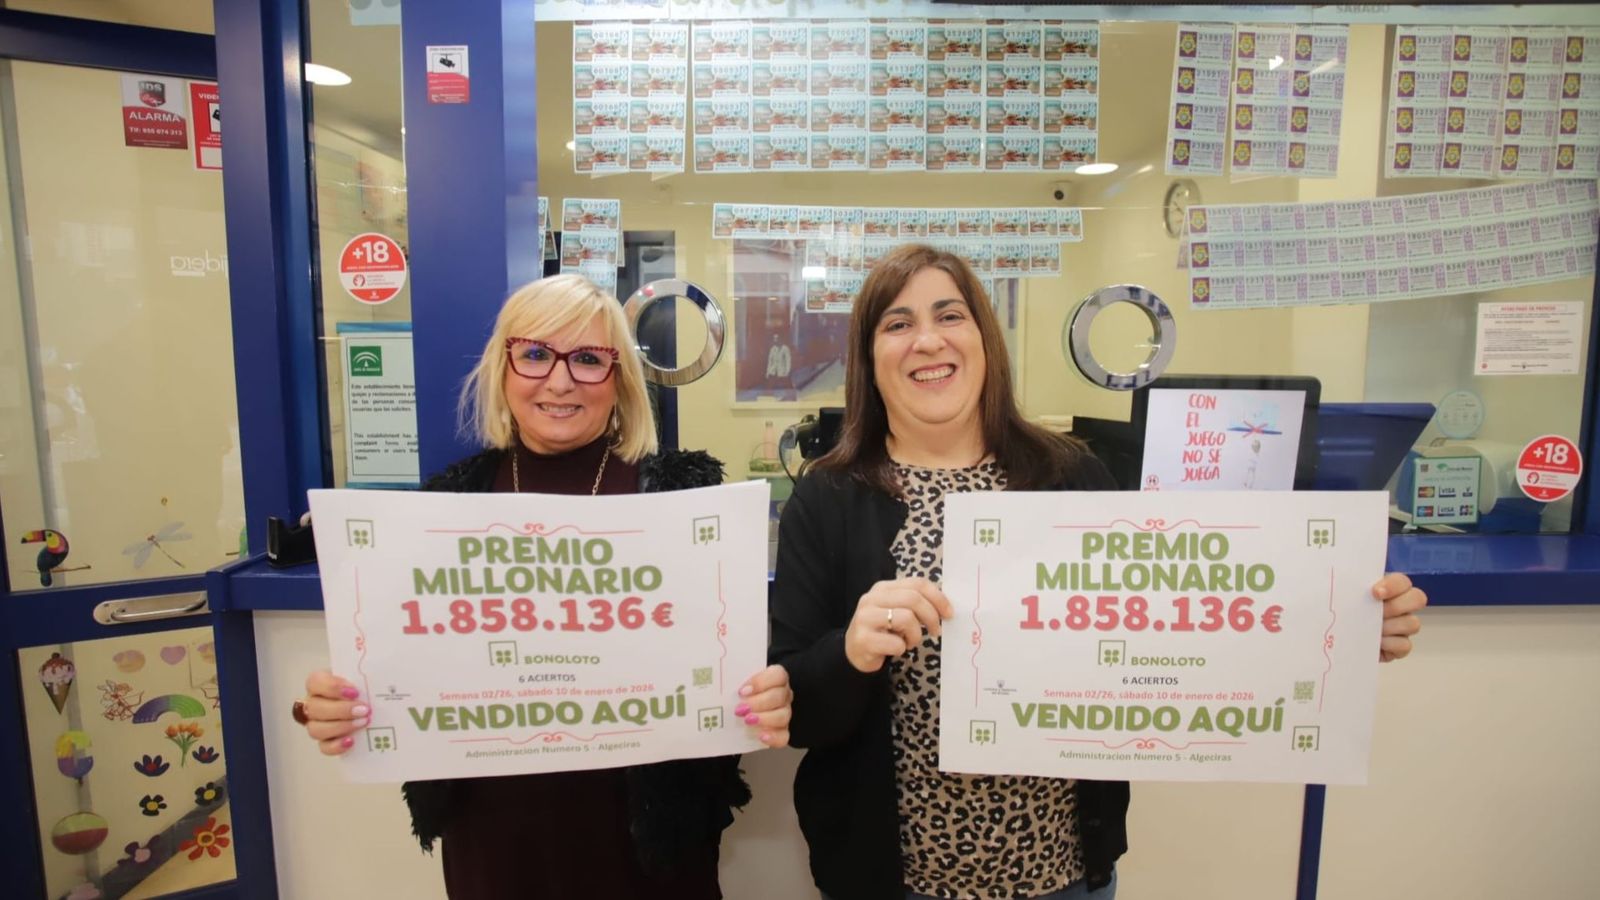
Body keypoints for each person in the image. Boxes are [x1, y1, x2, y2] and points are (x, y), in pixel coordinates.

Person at [769, 244, 1426, 900]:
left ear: (984, 340)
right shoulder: (827, 501)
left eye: (950, 315)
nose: (928, 340)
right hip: (896, 880)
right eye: (898, 323)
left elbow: (1172, 628)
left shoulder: (1072, 476)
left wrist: (1333, 630)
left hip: (1065, 875)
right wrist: (852, 651)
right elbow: (795, 711)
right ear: (869, 358)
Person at [294, 274, 793, 899]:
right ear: (503, 369)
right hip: (497, 845)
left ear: (619, 380)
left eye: (588, 359)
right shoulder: (448, 504)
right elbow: (406, 663)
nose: (559, 381)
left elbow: (721, 673)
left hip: (648, 852)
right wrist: (340, 707)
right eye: (535, 354)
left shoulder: (682, 498)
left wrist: (761, 693)